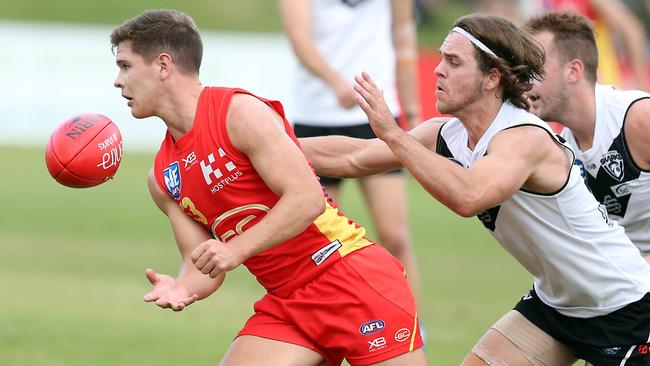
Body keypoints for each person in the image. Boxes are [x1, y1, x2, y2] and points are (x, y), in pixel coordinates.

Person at [300, 13, 650, 365]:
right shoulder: (445, 135)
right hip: (555, 306)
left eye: (453, 62)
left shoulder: (524, 137)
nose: (438, 70)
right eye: (440, 59)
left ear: (491, 78)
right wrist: (268, 141)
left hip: (625, 308)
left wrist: (393, 134)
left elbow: (469, 196)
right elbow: (354, 157)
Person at [110, 9, 425, 366]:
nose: (118, 81)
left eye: (125, 66)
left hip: (350, 279)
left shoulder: (239, 114)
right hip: (288, 302)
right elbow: (200, 263)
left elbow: (307, 200)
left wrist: (236, 250)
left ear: (163, 65)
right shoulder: (163, 177)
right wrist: (184, 286)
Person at [278, 0, 423, 303]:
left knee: (395, 235)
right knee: (318, 242)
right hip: (316, 119)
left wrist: (412, 111)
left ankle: (411, 326)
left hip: (378, 116)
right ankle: (324, 330)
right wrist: (337, 84)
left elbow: (404, 36)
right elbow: (299, 39)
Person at [524, 11, 650, 266]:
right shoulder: (562, 149)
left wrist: (641, 268)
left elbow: (630, 28)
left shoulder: (638, 119)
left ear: (573, 71)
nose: (525, 82)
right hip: (624, 288)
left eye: (536, 68)